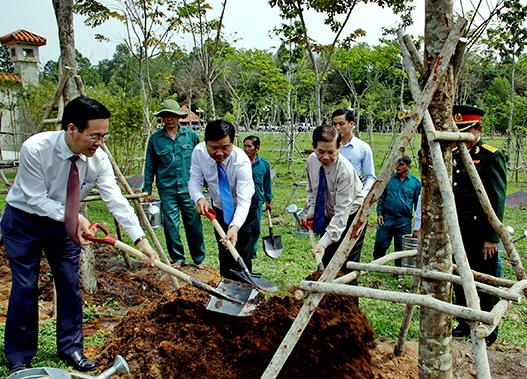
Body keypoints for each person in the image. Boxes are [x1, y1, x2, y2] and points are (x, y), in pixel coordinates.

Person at [0, 96, 158, 374]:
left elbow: (116, 200)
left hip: (64, 226)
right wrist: (77, 217)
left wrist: (140, 240)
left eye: (104, 136)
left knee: (70, 283)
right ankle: (20, 358)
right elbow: (35, 198)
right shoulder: (35, 148)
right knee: (25, 286)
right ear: (72, 129)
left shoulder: (99, 159)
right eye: (94, 135)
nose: (99, 142)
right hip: (25, 221)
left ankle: (71, 348)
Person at [451, 105, 507, 347]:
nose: (463, 136)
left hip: (480, 233)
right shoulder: (453, 154)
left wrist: (491, 236)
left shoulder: (490, 155)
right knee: (459, 277)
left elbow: (496, 199)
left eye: (467, 130)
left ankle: (487, 326)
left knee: (483, 279)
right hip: (458, 229)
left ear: (478, 129)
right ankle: (465, 321)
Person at [188, 120, 257, 280]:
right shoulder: (199, 152)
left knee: (241, 246)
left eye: (225, 147)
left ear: (232, 143)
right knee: (223, 245)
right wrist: (199, 197)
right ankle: (226, 286)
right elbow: (194, 180)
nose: (220, 153)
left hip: (243, 204)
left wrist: (235, 226)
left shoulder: (241, 161)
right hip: (218, 205)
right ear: (206, 144)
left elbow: (244, 200)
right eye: (214, 148)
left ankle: (245, 287)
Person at [143, 99, 206, 269]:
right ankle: (177, 258)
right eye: (166, 116)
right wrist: (147, 189)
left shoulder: (191, 136)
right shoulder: (155, 139)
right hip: (167, 189)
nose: (169, 119)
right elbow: (150, 166)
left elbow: (200, 161)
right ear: (162, 118)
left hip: (189, 189)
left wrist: (206, 183)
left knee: (193, 224)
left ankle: (199, 258)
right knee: (171, 225)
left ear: (179, 117)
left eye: (173, 116)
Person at [303, 125, 366, 291]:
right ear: (314, 147)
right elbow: (312, 189)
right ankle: (327, 306)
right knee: (326, 263)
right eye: (320, 151)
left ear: (339, 147)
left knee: (344, 267)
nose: (325, 157)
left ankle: (349, 311)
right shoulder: (311, 161)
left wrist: (322, 244)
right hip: (328, 213)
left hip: (353, 216)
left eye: (331, 152)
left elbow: (341, 214)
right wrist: (311, 212)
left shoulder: (344, 171)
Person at [373, 154, 421, 276]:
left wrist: (418, 224)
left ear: (408, 166)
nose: (397, 167)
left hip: (403, 220)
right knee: (380, 243)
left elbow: (417, 203)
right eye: (397, 164)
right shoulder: (389, 179)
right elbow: (382, 197)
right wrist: (380, 213)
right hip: (387, 218)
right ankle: (376, 265)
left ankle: (398, 272)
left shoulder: (415, 183)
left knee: (400, 246)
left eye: (401, 164)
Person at [332, 108, 376, 195]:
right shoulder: (329, 146)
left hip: (353, 195)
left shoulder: (363, 148)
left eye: (341, 124)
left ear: (351, 124)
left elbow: (370, 176)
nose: (337, 128)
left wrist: (363, 194)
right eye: (334, 124)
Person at [243, 136, 273, 259]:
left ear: (257, 148)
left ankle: (252, 251)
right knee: (242, 227)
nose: (246, 149)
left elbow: (267, 184)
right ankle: (242, 250)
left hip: (258, 201)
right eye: (244, 145)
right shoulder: (239, 162)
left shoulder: (264, 165)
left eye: (249, 146)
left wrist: (269, 200)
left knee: (255, 228)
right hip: (242, 200)